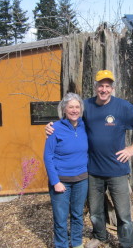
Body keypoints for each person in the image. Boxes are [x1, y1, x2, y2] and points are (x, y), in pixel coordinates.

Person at [46, 70, 133, 248]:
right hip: (93, 170)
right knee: (95, 211)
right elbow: (70, 118)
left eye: (107, 86)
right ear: (95, 87)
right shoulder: (86, 106)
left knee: (123, 213)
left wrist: (132, 148)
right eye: (100, 85)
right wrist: (51, 126)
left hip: (117, 169)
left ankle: (127, 243)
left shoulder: (122, 107)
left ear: (112, 88)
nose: (104, 89)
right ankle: (100, 236)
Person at [43, 92, 88, 248]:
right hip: (61, 181)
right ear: (64, 109)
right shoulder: (55, 128)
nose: (74, 110)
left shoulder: (85, 125)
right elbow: (48, 157)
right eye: (71, 107)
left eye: (77, 107)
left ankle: (76, 243)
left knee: (77, 215)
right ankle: (61, 245)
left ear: (81, 109)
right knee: (61, 218)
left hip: (81, 180)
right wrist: (55, 181)